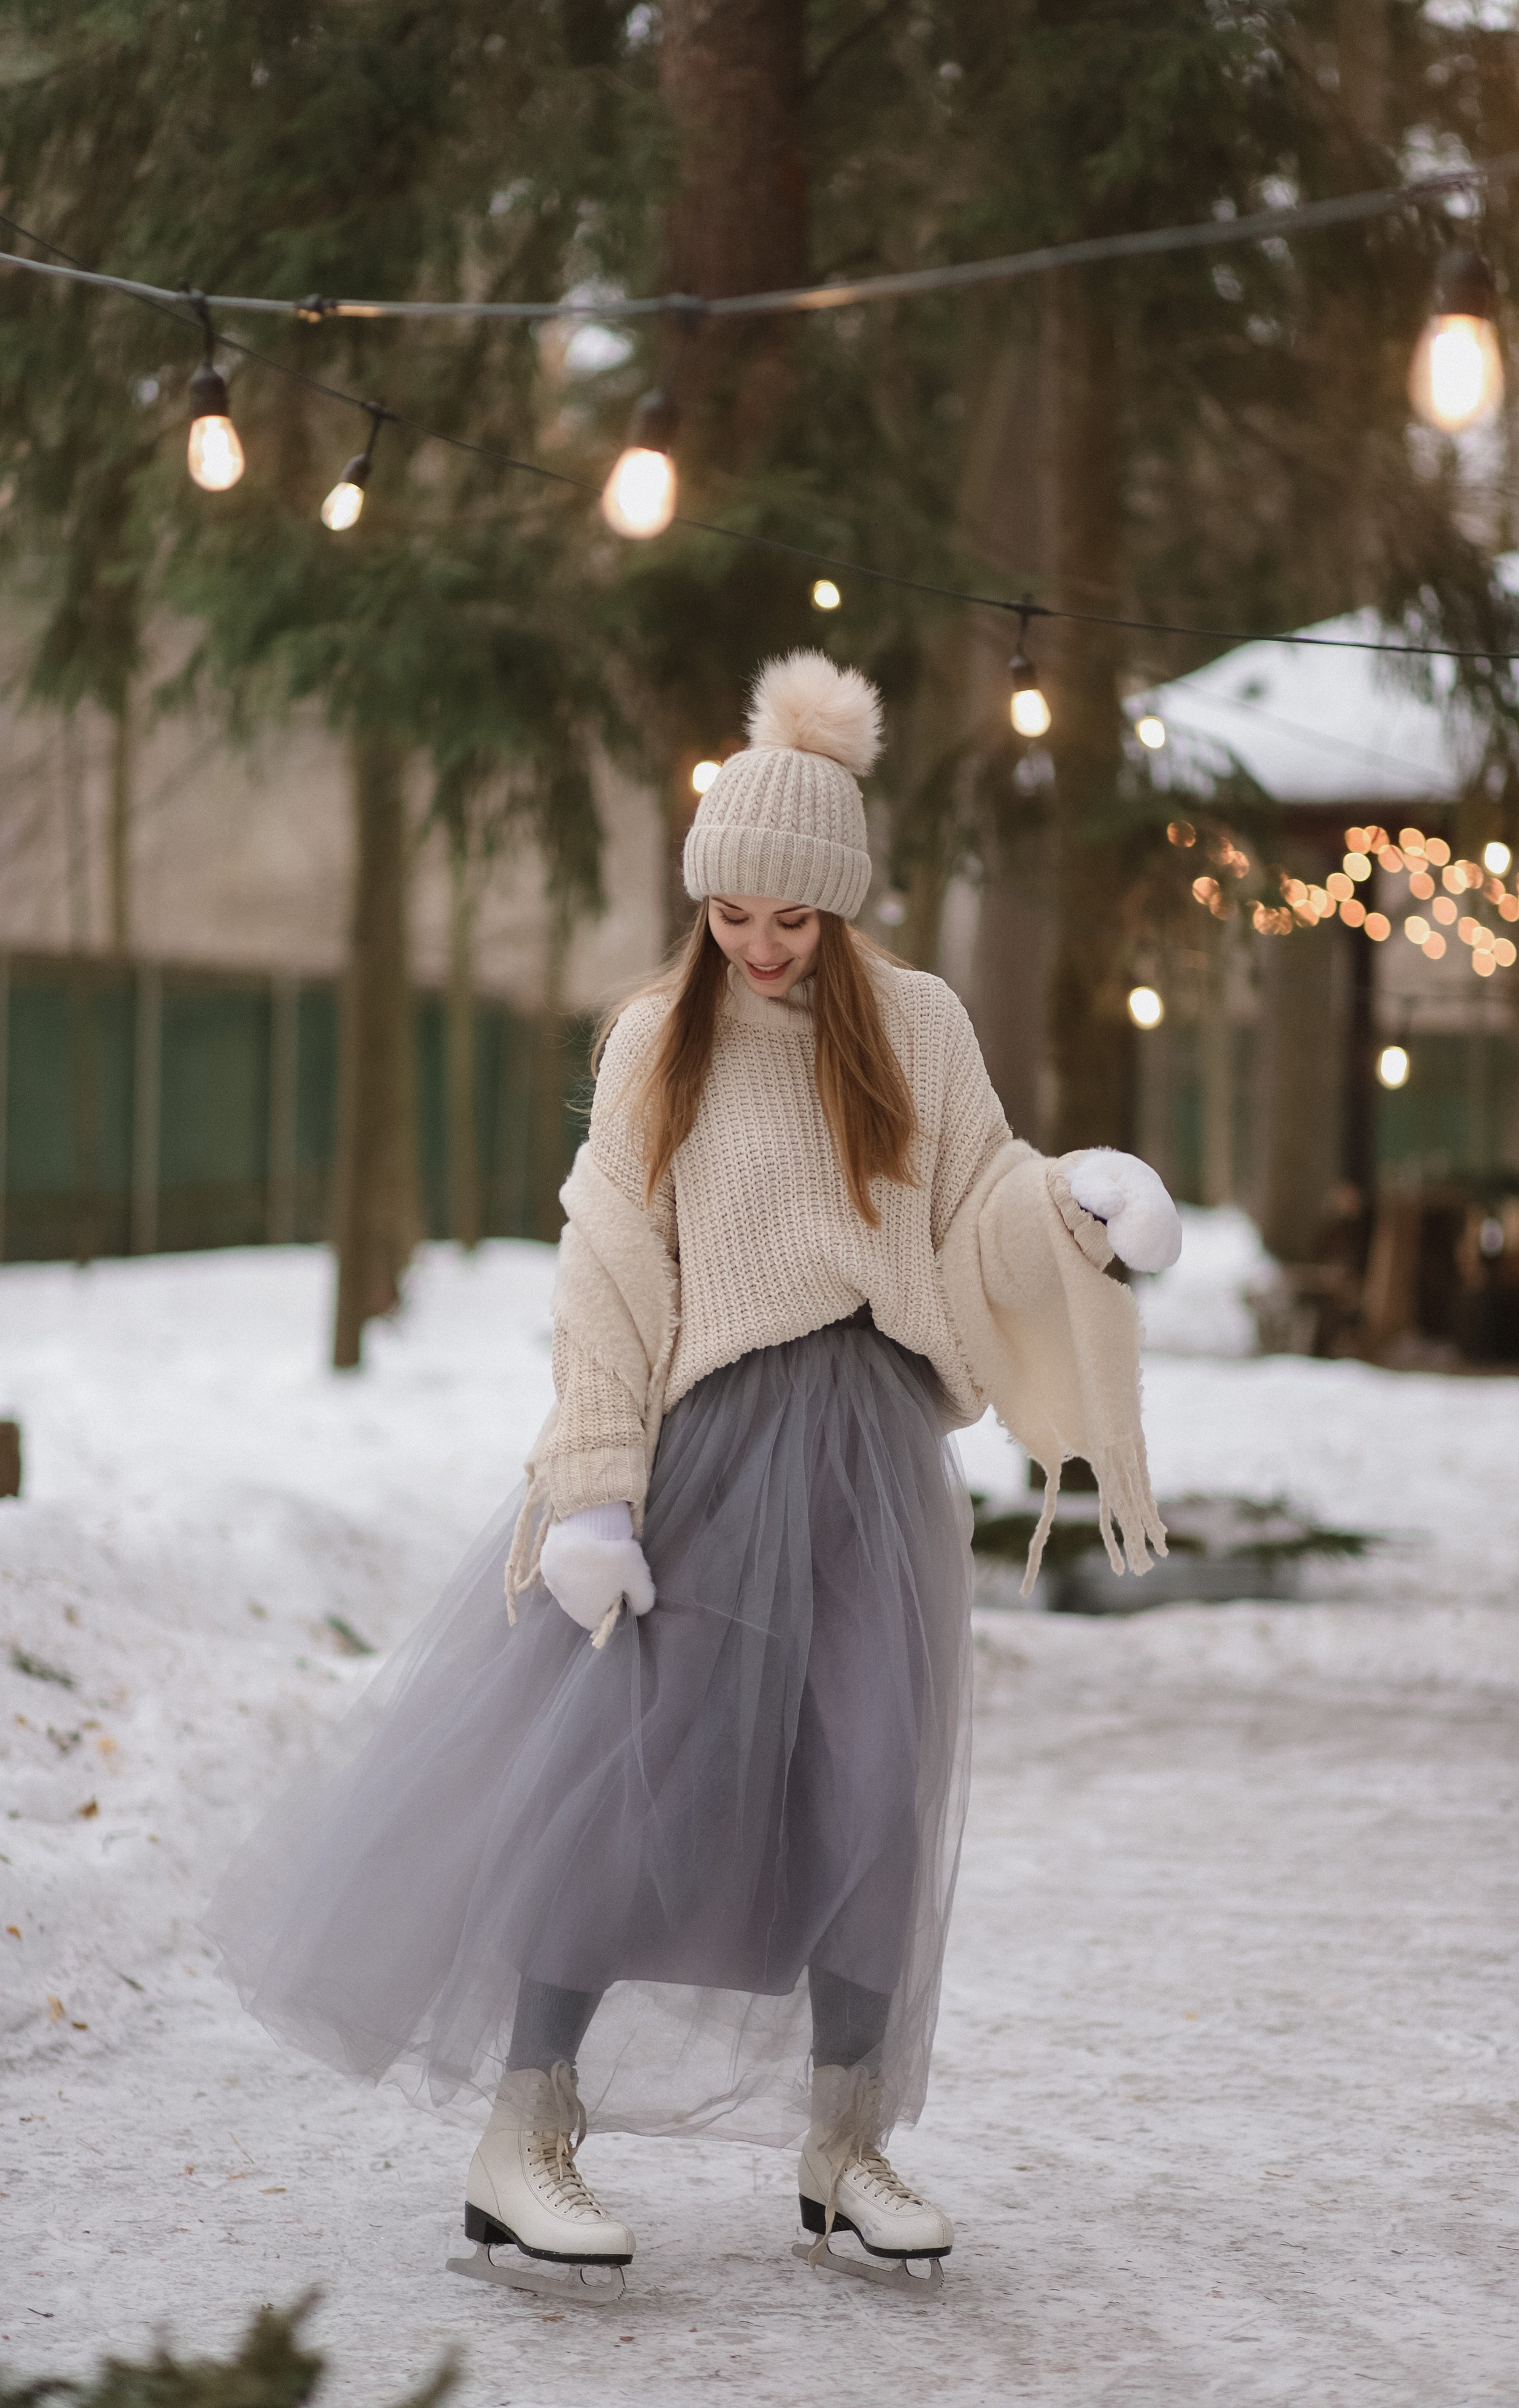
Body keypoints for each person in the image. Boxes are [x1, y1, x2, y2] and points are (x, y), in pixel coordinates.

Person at [205, 650, 1180, 2281]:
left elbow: (976, 1206)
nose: (761, 945)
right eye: (733, 913)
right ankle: (526, 2130)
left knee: (871, 1782)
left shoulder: (918, 1032)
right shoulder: (658, 1038)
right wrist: (591, 1487)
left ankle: (846, 2144)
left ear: (841, 909)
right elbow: (607, 1267)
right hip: (704, 1455)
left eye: (792, 919)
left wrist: (1075, 1199)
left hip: (867, 1455)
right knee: (632, 1795)